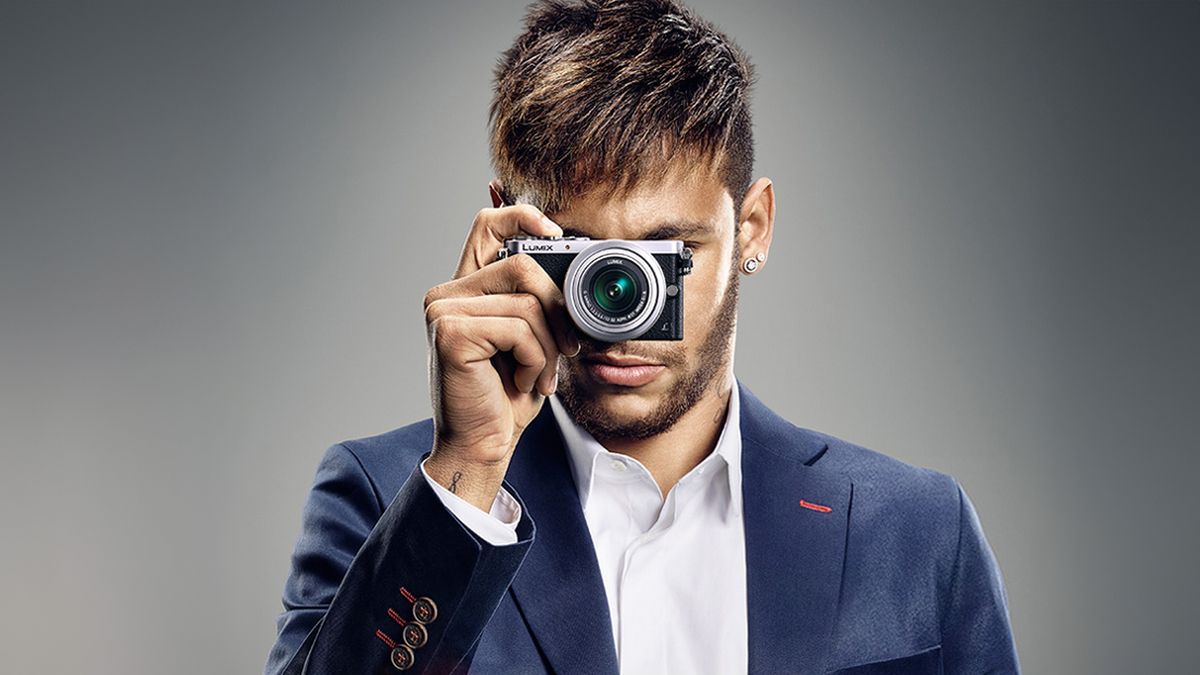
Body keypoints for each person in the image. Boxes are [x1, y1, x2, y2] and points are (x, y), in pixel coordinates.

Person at [264, 1, 1020, 673]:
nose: (618, 310)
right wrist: (470, 470)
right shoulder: (389, 497)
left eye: (668, 258)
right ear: (507, 230)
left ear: (751, 228)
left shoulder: (917, 529)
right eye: (581, 256)